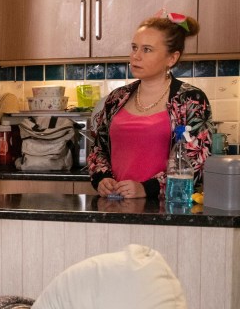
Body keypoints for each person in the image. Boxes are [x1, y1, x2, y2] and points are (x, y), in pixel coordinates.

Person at [89, 12, 211, 199]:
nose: (136, 56)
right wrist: (102, 178)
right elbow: (98, 149)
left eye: (147, 50)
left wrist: (147, 188)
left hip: (167, 208)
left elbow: (197, 163)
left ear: (172, 58)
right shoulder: (117, 98)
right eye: (134, 47)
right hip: (116, 205)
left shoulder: (191, 100)